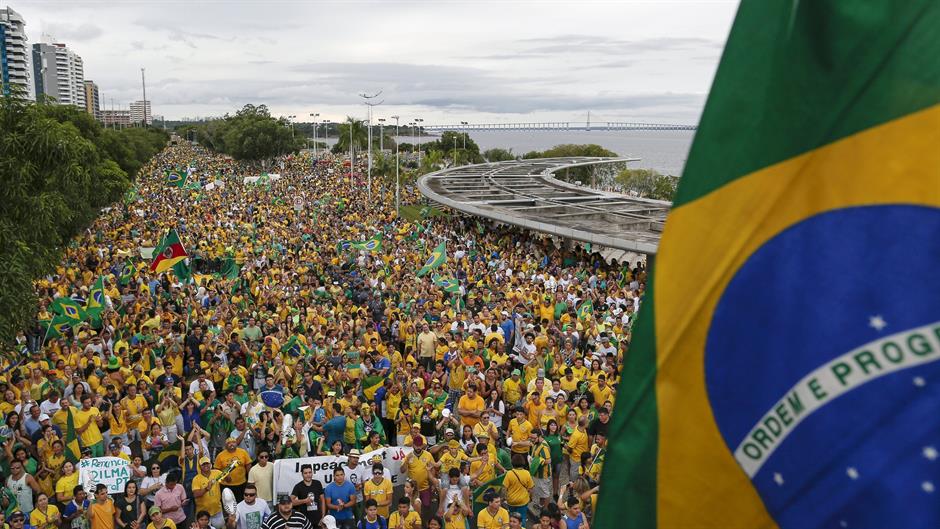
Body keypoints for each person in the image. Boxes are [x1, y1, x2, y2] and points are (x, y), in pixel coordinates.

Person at [192, 457, 224, 529]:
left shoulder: (217, 473)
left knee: (219, 527)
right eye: (203, 464)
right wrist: (206, 489)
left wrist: (228, 473)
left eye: (207, 463)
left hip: (217, 510)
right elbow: (195, 494)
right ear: (200, 467)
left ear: (210, 464)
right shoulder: (196, 479)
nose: (206, 465)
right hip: (203, 513)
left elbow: (228, 480)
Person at [503, 455, 534, 525]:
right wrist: (531, 497)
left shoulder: (509, 473)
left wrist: (505, 497)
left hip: (511, 501)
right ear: (523, 463)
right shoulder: (527, 473)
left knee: (512, 518)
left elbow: (504, 488)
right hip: (523, 500)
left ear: (512, 463)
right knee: (522, 518)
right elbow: (531, 488)